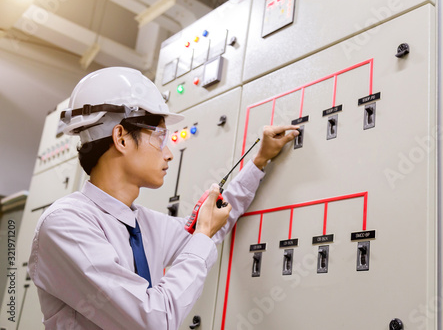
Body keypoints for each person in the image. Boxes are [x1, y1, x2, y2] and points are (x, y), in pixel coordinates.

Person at [28, 67, 299, 329]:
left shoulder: (142, 224)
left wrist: (258, 162)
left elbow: (210, 228)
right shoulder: (66, 225)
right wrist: (203, 234)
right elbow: (154, 321)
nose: (169, 153)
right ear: (121, 138)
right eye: (159, 137)